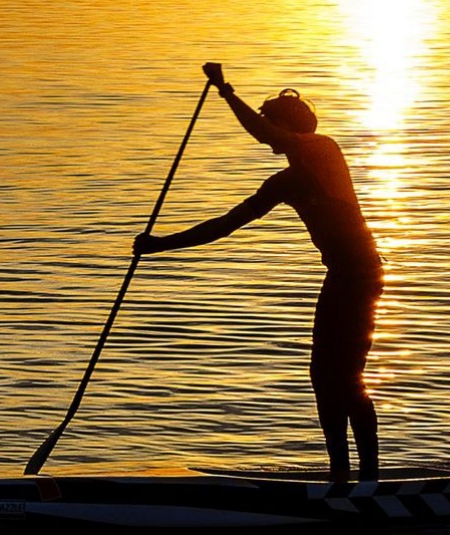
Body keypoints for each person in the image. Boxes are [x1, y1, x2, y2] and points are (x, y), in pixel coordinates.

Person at [134, 63, 383, 482]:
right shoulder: (282, 183)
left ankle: (370, 481)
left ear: (290, 127)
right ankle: (340, 475)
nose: (265, 129)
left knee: (345, 377)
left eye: (271, 121)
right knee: (322, 377)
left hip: (361, 275)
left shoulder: (324, 150)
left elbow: (265, 133)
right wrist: (160, 245)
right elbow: (225, 224)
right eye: (266, 120)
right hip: (339, 276)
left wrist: (226, 91)